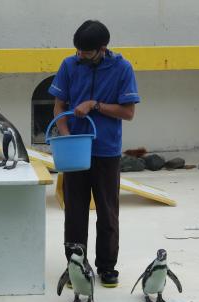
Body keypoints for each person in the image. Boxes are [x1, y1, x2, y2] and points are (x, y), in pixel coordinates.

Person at [48, 20, 140, 288]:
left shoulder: (122, 68)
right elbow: (58, 106)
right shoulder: (69, 65)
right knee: (74, 211)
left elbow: (128, 112)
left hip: (106, 151)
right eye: (78, 50)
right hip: (75, 149)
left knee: (108, 211)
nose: (80, 56)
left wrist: (95, 105)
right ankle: (75, 264)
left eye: (86, 52)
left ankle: (107, 267)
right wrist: (65, 135)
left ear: (102, 48)